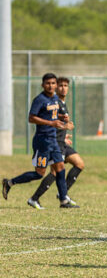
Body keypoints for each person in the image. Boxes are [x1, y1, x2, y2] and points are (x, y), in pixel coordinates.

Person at [2, 73, 78, 208]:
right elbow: (31, 118)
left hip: (53, 140)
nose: (51, 86)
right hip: (42, 141)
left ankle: (63, 200)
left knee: (60, 168)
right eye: (48, 83)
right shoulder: (39, 99)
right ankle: (9, 183)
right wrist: (51, 123)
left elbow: (52, 114)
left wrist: (61, 118)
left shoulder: (55, 98)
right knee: (39, 174)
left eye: (53, 83)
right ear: (42, 85)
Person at [27, 77, 85, 209]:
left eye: (66, 85)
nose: (63, 88)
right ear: (55, 88)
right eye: (60, 86)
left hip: (62, 141)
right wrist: (61, 134)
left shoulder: (63, 103)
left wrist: (64, 135)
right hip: (55, 142)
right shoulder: (54, 102)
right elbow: (50, 122)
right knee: (55, 172)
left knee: (79, 164)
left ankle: (62, 194)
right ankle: (35, 198)